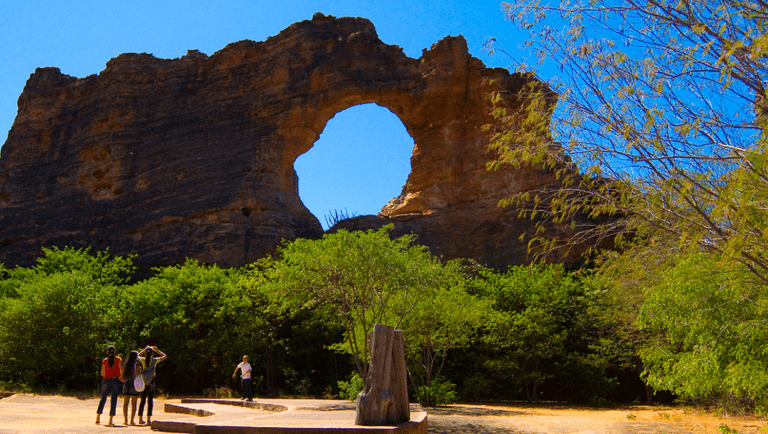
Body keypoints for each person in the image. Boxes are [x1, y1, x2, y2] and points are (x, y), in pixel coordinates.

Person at [137, 345, 166, 425]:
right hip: (152, 381)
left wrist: (144, 349)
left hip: (144, 381)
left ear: (146, 354)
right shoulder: (154, 360)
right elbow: (164, 356)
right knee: (150, 400)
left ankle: (140, 418)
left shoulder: (142, 360)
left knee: (142, 400)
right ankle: (148, 419)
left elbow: (136, 356)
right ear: (153, 354)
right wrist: (157, 350)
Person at [95, 345, 121, 426]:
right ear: (115, 352)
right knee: (114, 400)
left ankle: (98, 417)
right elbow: (121, 369)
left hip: (106, 380)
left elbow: (102, 373)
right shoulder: (118, 359)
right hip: (115, 380)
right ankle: (110, 420)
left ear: (107, 352)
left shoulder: (105, 360)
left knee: (103, 399)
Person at [121, 350, 141, 425]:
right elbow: (137, 373)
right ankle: (132, 420)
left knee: (125, 403)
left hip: (127, 383)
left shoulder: (127, 364)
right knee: (134, 404)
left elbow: (123, 376)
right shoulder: (136, 364)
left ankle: (125, 420)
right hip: (134, 384)